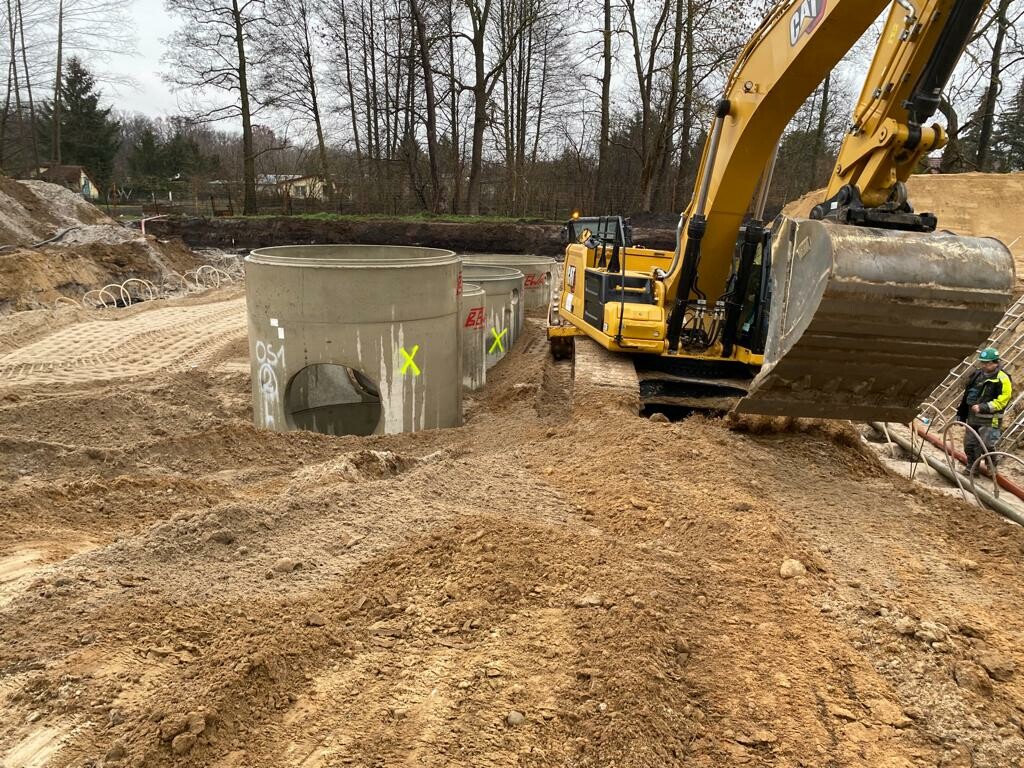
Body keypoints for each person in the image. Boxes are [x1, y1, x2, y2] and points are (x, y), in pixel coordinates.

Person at [956, 347, 1013, 472]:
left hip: (990, 419)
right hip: (973, 417)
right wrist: (961, 413)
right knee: (970, 445)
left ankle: (991, 467)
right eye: (983, 362)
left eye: (987, 363)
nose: (984, 365)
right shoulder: (977, 374)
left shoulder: (1003, 378)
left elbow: (1004, 399)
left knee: (987, 445)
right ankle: (972, 469)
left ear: (995, 362)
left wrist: (983, 407)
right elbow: (967, 394)